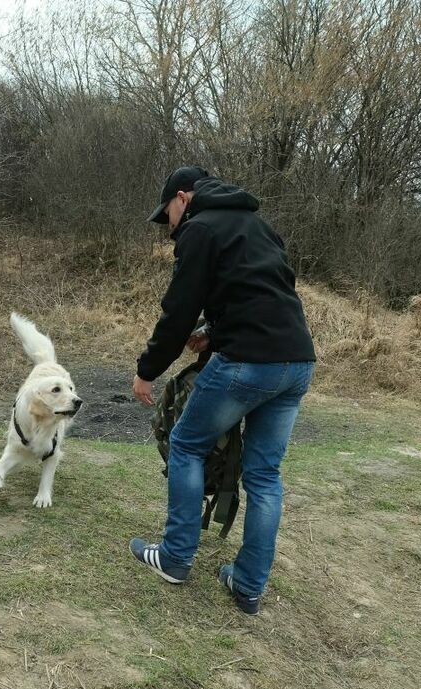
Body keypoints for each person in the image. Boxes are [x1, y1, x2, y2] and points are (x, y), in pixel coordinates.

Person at [127, 166, 316, 615]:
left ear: (182, 198)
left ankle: (174, 558)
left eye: (167, 216)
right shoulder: (258, 225)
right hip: (297, 361)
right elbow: (265, 291)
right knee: (265, 476)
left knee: (186, 444)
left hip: (248, 363)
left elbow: (177, 312)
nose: (169, 227)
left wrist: (146, 370)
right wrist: (215, 329)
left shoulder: (201, 229)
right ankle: (248, 587)